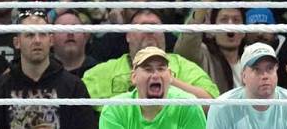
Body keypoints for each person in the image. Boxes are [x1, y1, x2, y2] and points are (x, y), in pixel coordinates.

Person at [0, 8, 96, 129]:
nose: (37, 41)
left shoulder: (74, 87)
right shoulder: (0, 88)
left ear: (51, 40)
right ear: (17, 42)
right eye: (30, 35)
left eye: (42, 34)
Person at [83, 9, 218, 100]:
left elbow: (212, 106)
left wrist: (169, 80)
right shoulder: (101, 73)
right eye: (142, 26)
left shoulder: (185, 67)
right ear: (128, 36)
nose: (149, 31)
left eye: (155, 26)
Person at [206, 42, 287, 129]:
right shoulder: (221, 107)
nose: (265, 76)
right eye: (257, 69)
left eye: (270, 68)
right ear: (243, 76)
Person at [97, 46, 207, 129]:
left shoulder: (188, 105)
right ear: (134, 77)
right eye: (148, 69)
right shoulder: (115, 109)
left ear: (170, 76)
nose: (155, 75)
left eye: (161, 69)